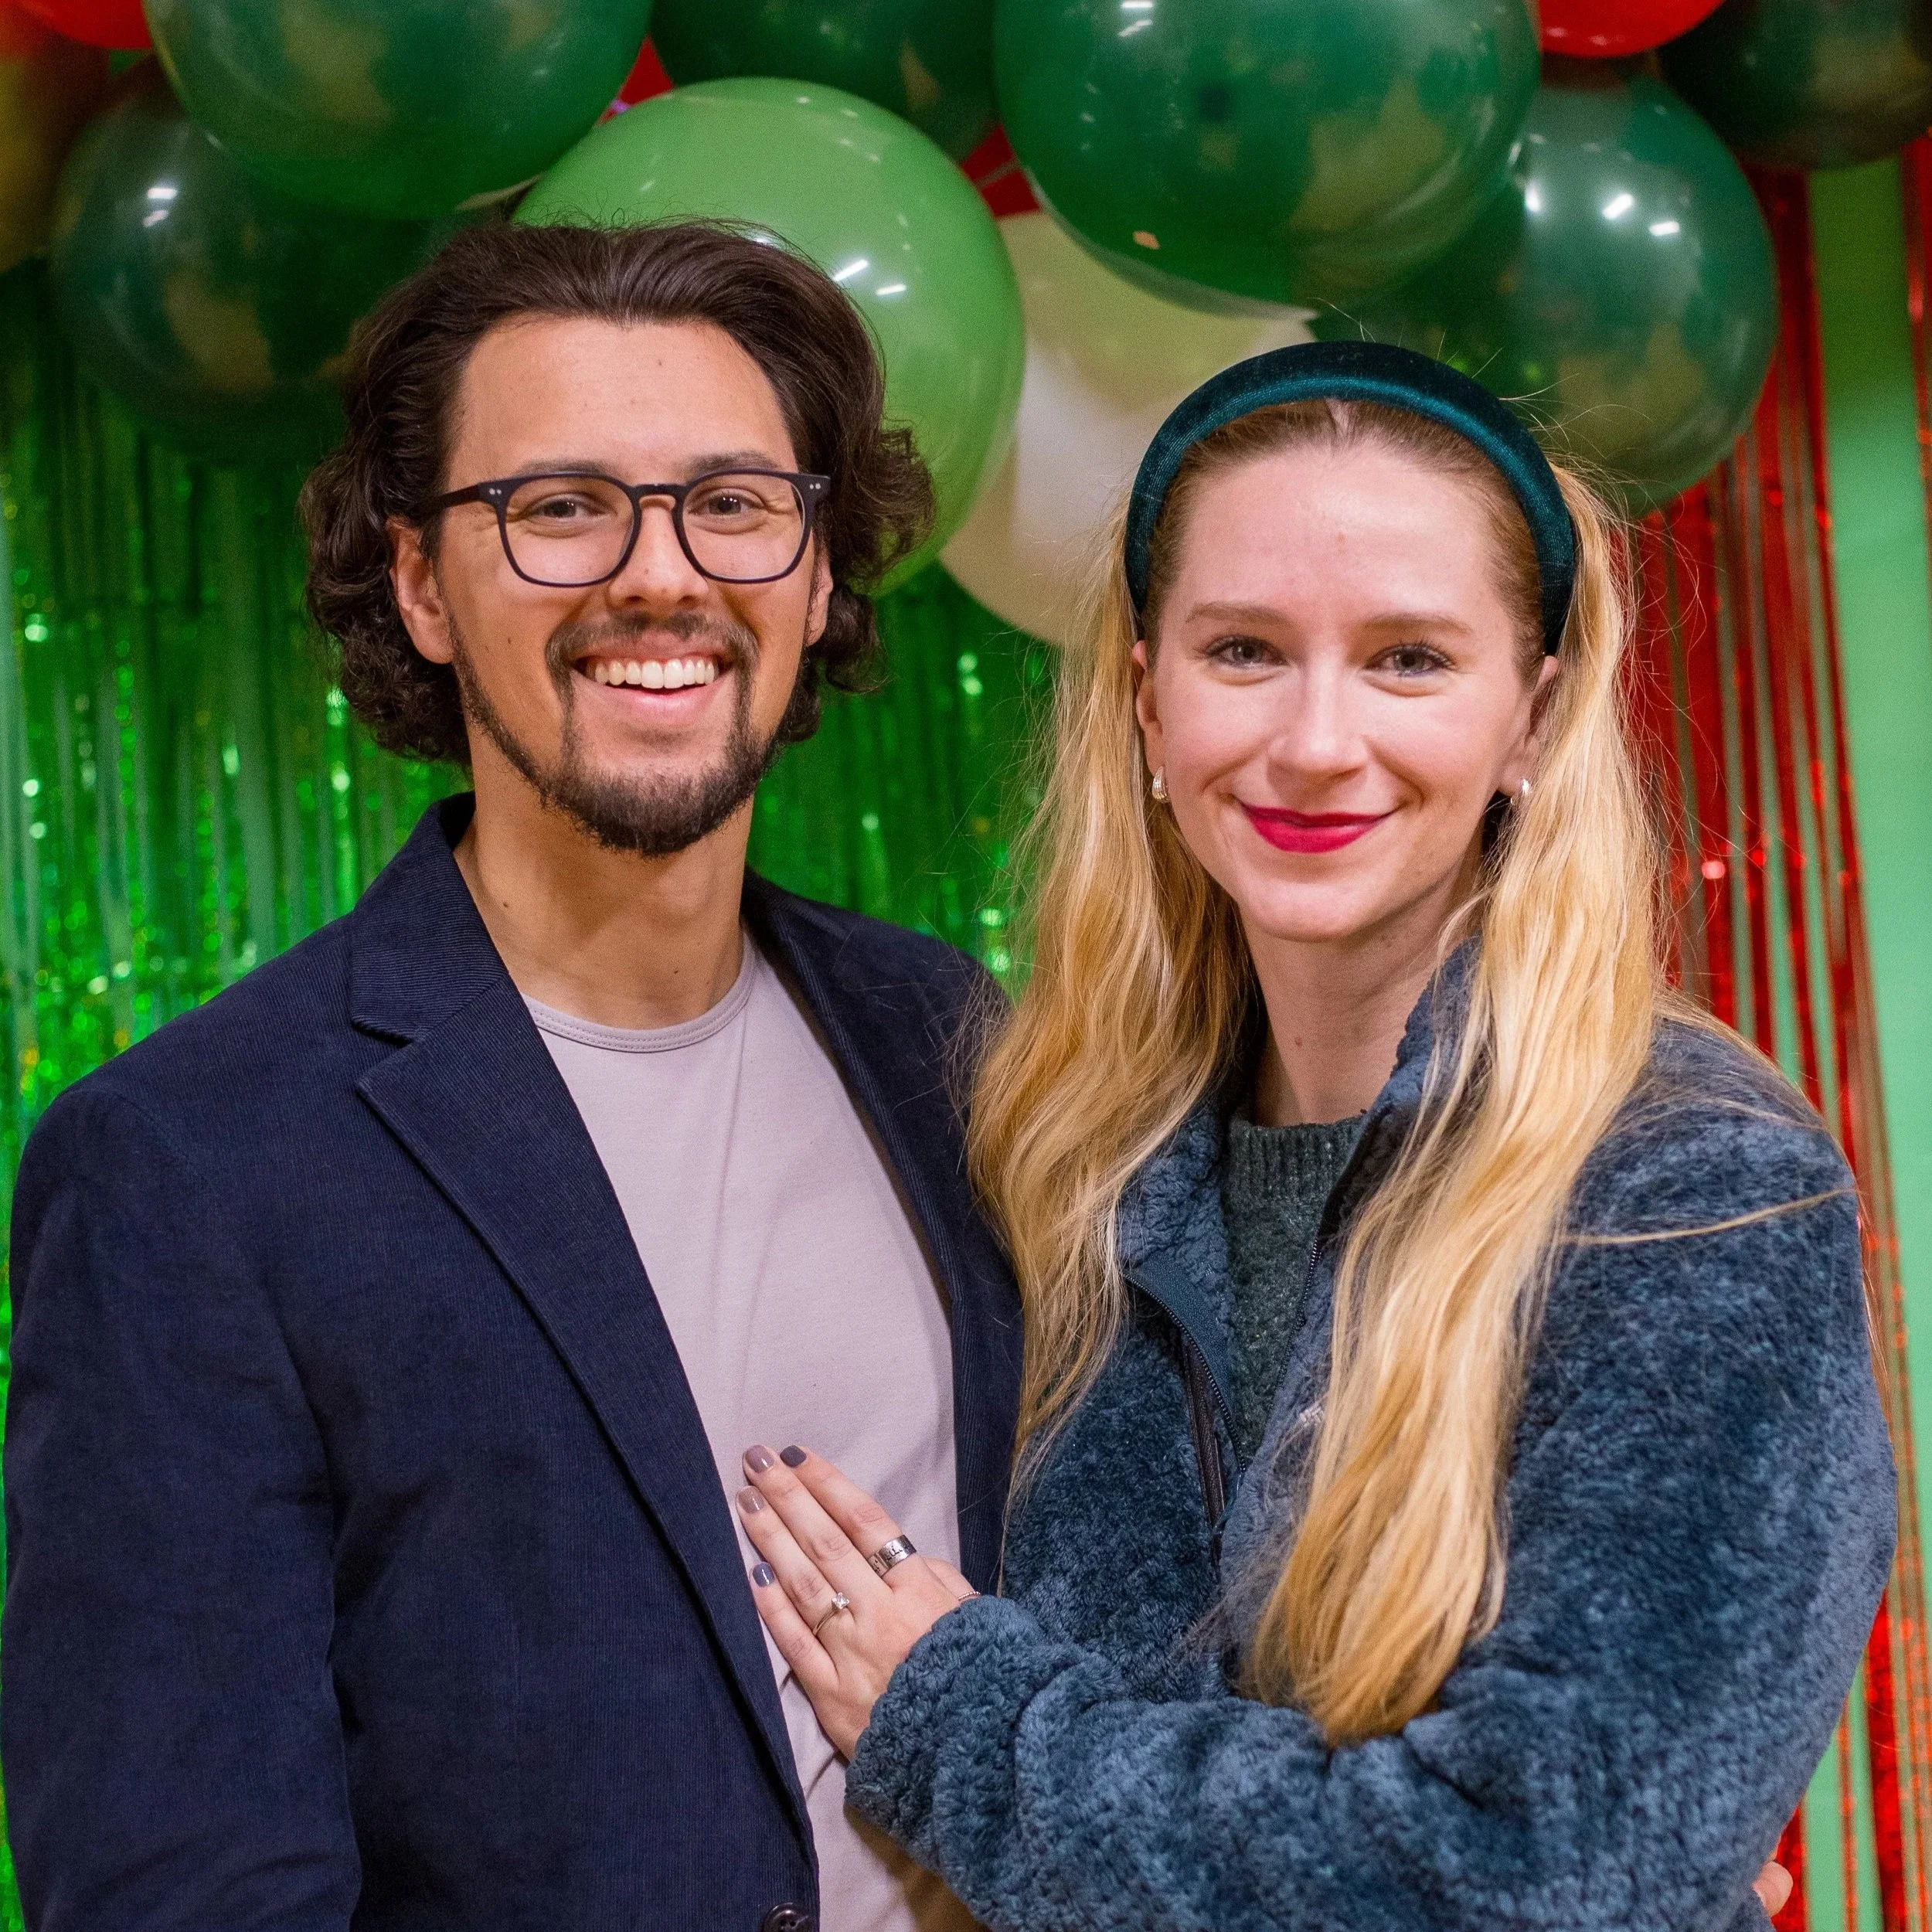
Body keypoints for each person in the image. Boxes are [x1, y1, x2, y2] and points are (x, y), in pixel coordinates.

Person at [728, 343, 1896, 1931]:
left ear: (1531, 716)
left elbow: (1541, 1871)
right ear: (1146, 702)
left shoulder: (1686, 1188)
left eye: (1408, 657)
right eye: (1242, 650)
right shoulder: (1070, 1162)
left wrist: (966, 1723)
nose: (1314, 740)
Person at [2, 219, 1019, 1932]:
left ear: (819, 568)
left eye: (733, 501)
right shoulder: (189, 1160)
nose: (658, 573)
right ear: (418, 583)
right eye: (556, 507)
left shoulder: (955, 1044)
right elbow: (181, 1878)